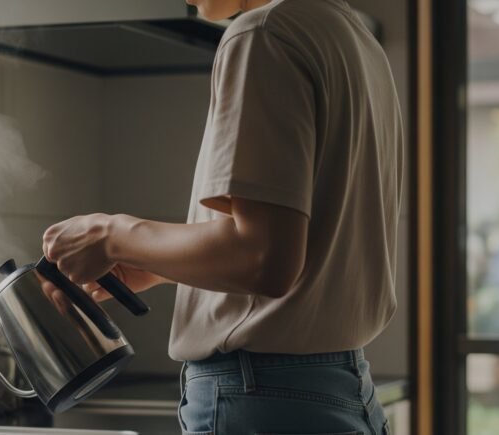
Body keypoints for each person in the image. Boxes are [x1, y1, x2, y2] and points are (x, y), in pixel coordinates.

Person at [41, 0, 403, 432]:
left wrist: (113, 233)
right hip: (344, 391)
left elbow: (265, 260)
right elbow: (298, 248)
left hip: (261, 400)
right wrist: (156, 265)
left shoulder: (262, 35)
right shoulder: (354, 40)